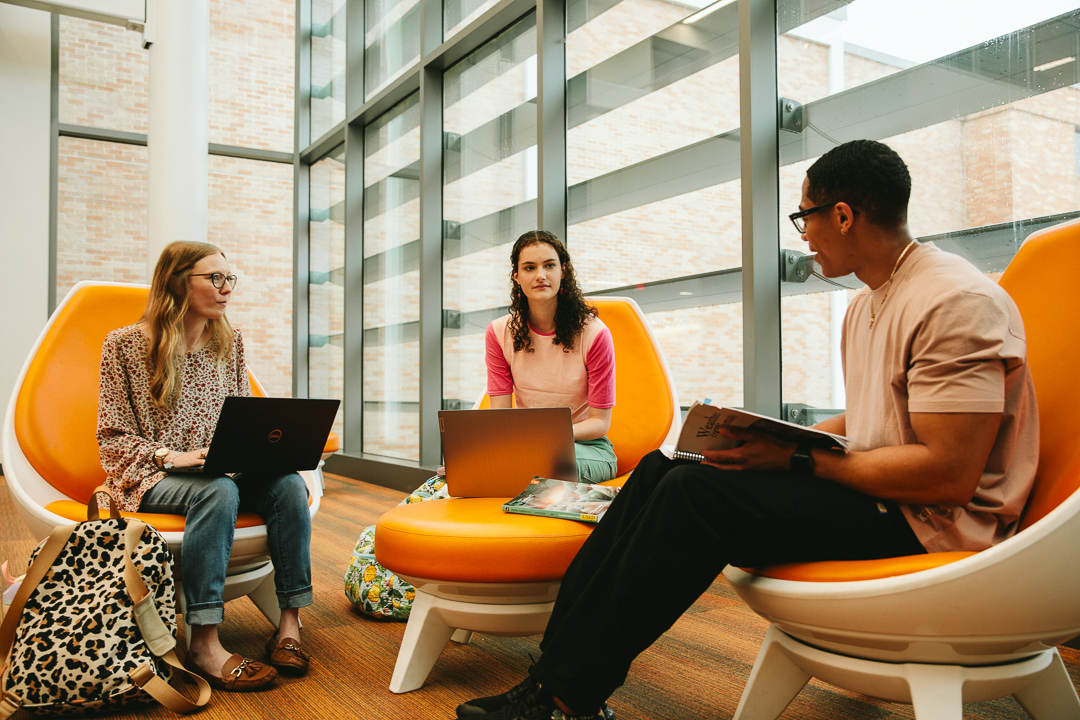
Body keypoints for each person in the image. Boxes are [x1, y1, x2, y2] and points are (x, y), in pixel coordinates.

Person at [453, 140, 1039, 720]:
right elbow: (873, 424)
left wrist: (795, 461)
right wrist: (768, 439)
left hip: (931, 524)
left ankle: (561, 695)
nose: (802, 234)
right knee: (665, 469)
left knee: (693, 496)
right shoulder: (868, 303)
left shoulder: (955, 301)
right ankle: (551, 672)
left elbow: (949, 474)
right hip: (883, 494)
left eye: (803, 216)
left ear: (841, 216)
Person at [97, 241, 314, 692]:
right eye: (214, 278)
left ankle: (289, 625)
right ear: (178, 282)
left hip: (220, 472)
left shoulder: (229, 342)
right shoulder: (122, 346)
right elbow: (112, 438)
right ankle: (205, 642)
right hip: (153, 475)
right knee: (220, 491)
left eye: (229, 278)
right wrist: (171, 457)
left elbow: (244, 419)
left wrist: (268, 447)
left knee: (289, 485)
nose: (226, 288)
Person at [486, 230, 618, 483]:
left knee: (540, 461)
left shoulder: (595, 334)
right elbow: (499, 418)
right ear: (516, 276)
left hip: (588, 449)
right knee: (472, 466)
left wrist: (544, 437)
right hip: (528, 447)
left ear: (563, 271)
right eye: (529, 267)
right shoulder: (498, 332)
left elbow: (600, 423)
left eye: (549, 265)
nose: (540, 275)